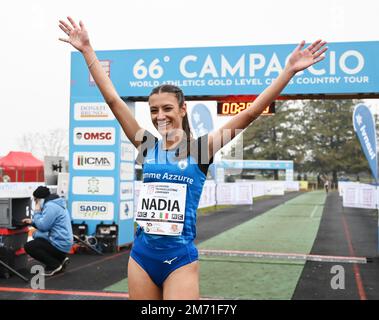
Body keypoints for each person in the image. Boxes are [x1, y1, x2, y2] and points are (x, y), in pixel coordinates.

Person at [58, 16, 327, 299]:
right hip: (141, 257)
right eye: (153, 111)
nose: (159, 116)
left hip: (179, 260)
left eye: (167, 108)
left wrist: (288, 72)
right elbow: (113, 100)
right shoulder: (146, 145)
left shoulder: (202, 149)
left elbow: (248, 113)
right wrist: (88, 50)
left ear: (183, 109)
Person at [22, 186, 73, 276]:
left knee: (30, 246)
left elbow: (43, 227)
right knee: (37, 237)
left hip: (60, 243)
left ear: (39, 199)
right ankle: (61, 258)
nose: (35, 203)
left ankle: (54, 265)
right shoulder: (56, 203)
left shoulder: (50, 206)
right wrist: (32, 222)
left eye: (36, 200)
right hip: (64, 241)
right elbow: (47, 224)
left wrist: (37, 212)